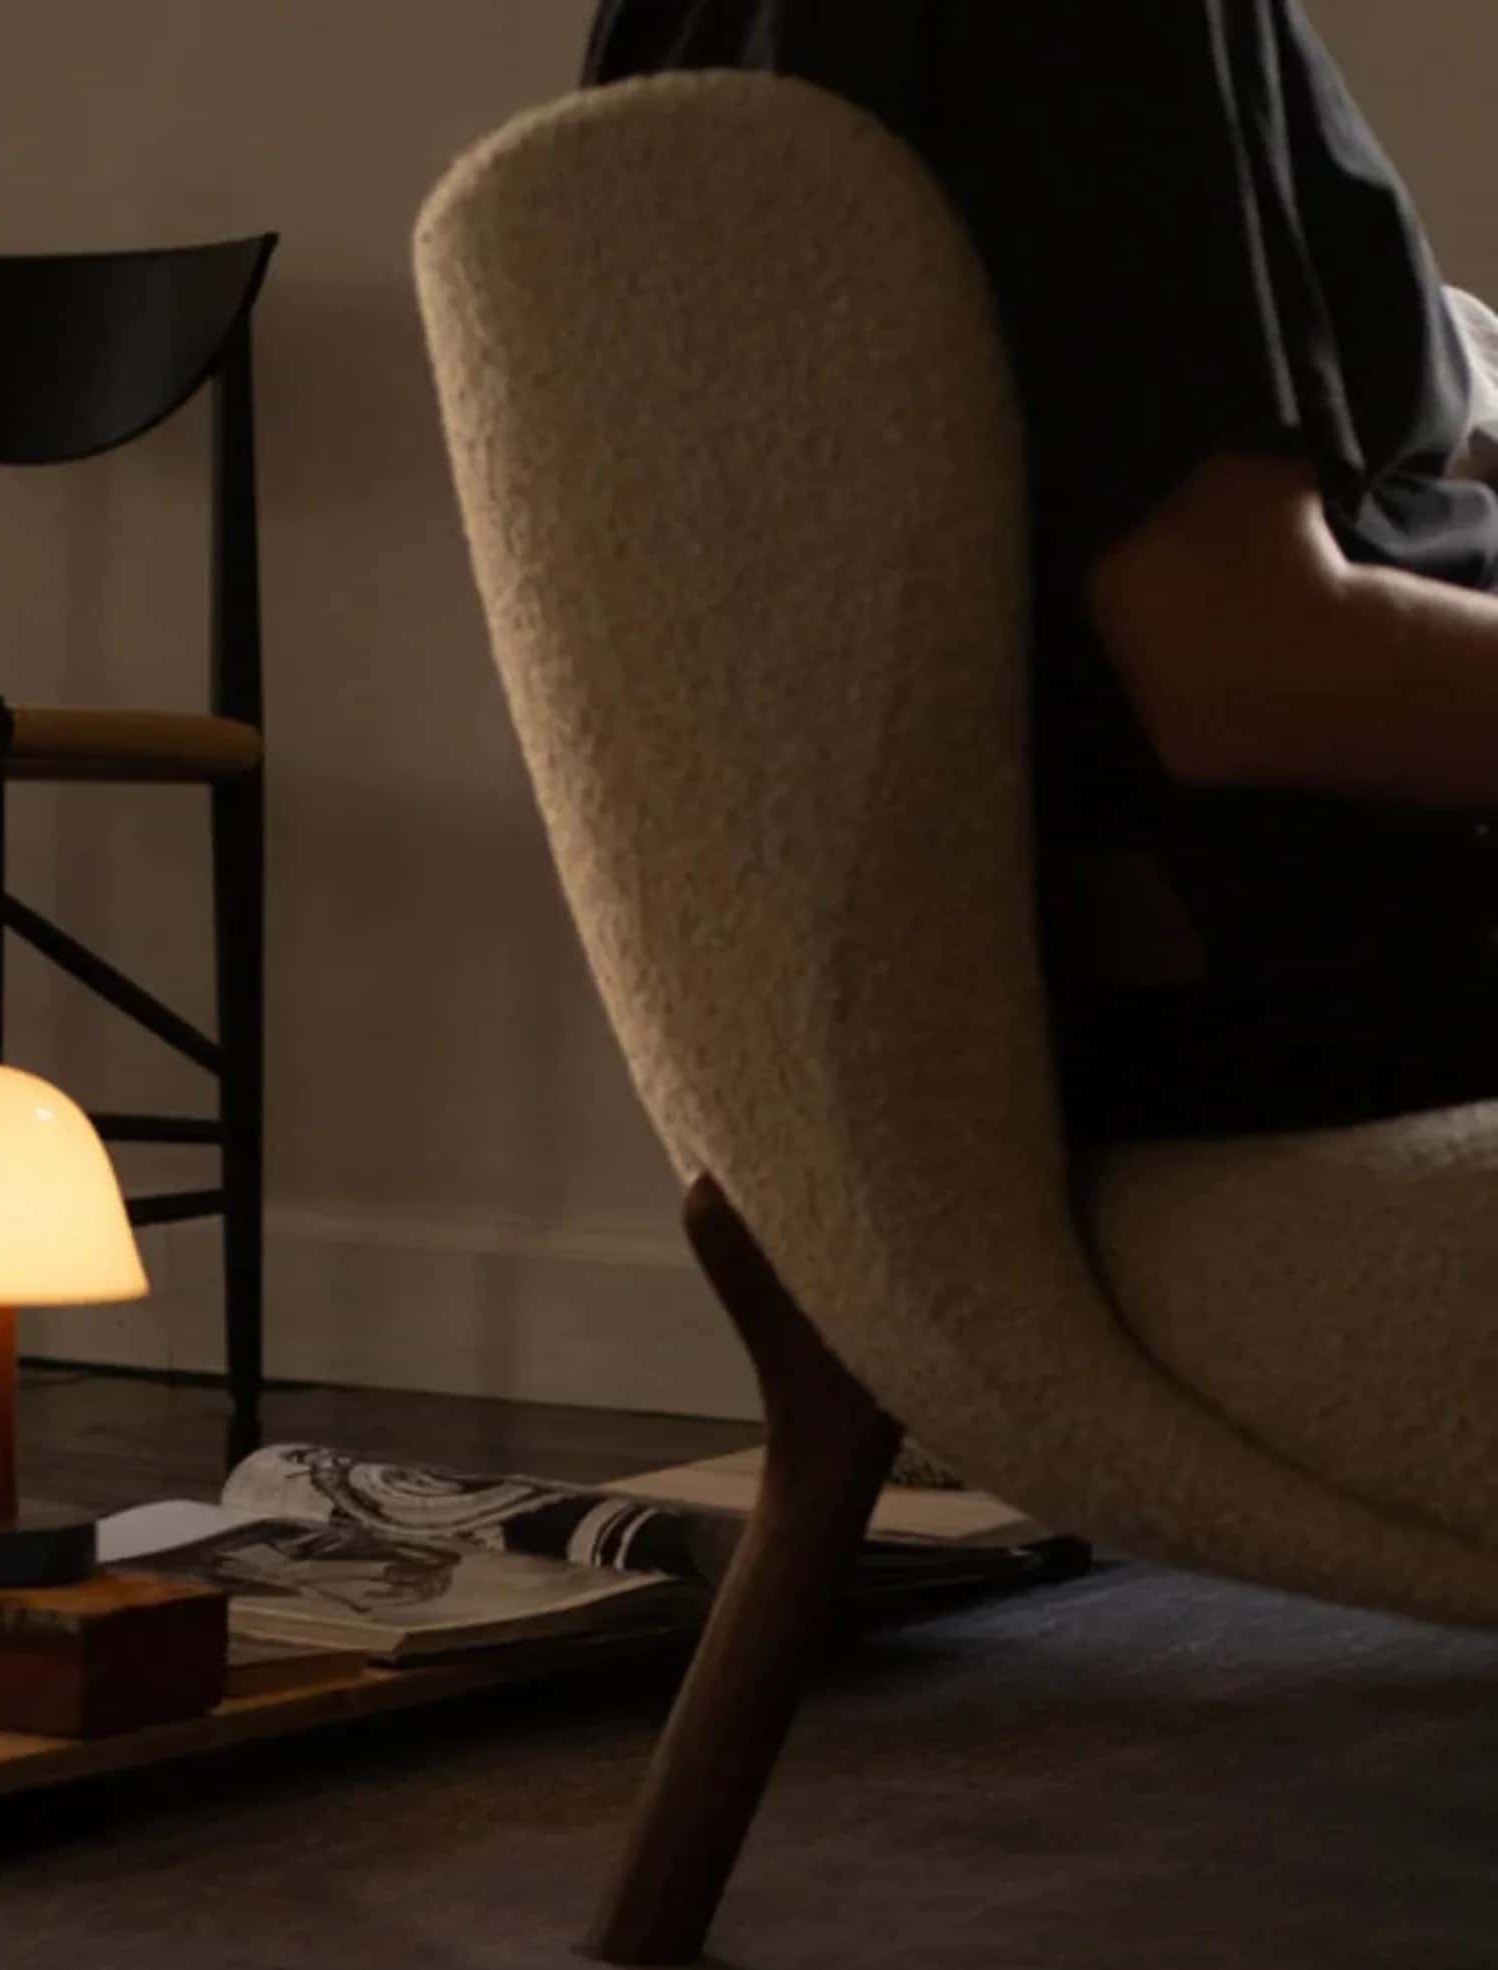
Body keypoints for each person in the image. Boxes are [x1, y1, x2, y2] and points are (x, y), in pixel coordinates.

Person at [579, 1, 1498, 1145]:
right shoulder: (1078, 34)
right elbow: (1247, 667)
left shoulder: (685, 27)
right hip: (1309, 985)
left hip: (1104, 979)